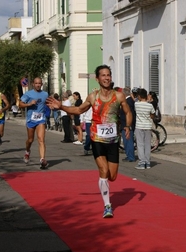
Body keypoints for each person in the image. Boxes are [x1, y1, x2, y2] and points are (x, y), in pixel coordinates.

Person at [46, 64, 133, 218]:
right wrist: (61, 107)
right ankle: (107, 205)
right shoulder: (93, 97)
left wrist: (127, 126)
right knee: (103, 171)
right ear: (98, 78)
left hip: (113, 140)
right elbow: (79, 110)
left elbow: (128, 112)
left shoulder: (118, 96)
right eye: (103, 75)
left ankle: (105, 190)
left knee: (112, 176)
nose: (106, 78)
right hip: (97, 138)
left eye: (108, 75)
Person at [19, 77, 49, 169]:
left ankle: (42, 159)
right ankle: (27, 151)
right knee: (30, 140)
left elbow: (47, 103)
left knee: (41, 139)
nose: (38, 85)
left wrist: (51, 106)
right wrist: (29, 104)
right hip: (31, 120)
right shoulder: (28, 94)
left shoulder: (45, 94)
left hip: (41, 119)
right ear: (33, 84)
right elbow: (20, 104)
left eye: (39, 83)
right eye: (36, 83)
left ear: (42, 84)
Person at [134, 88, 155, 169]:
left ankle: (142, 162)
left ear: (139, 96)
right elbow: (152, 115)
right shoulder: (150, 105)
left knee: (140, 144)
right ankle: (147, 162)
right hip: (148, 126)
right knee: (147, 144)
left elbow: (135, 100)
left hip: (139, 126)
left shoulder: (136, 104)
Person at [121, 87, 136, 162]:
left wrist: (128, 125)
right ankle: (129, 155)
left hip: (127, 124)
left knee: (128, 140)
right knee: (126, 141)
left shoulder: (128, 101)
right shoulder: (129, 100)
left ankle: (130, 156)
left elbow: (130, 114)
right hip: (125, 124)